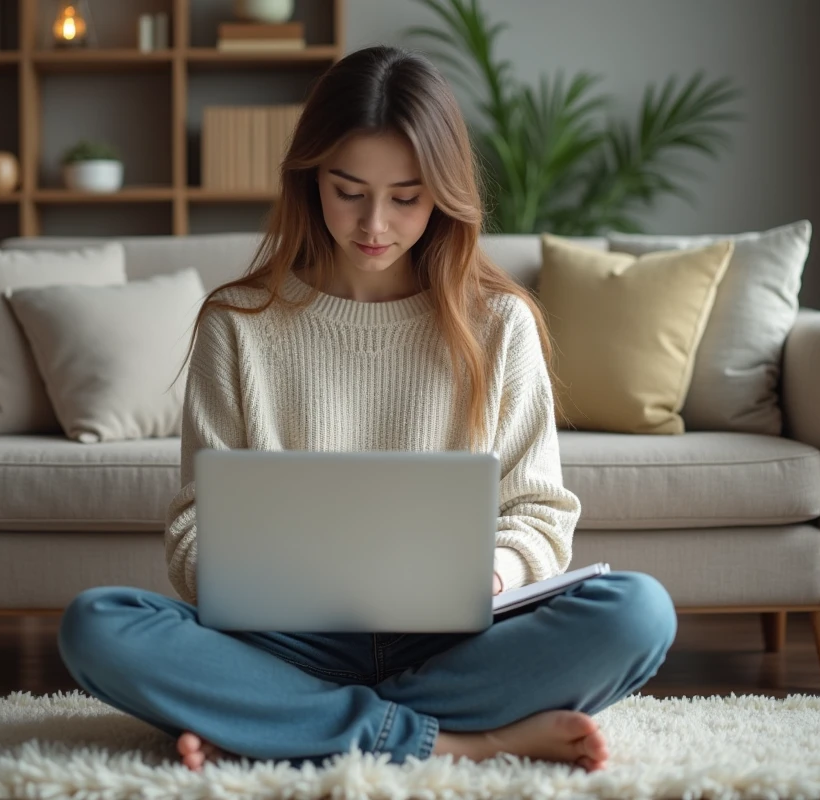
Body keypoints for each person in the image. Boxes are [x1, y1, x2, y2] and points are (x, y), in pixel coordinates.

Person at [57, 44, 677, 774]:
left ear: (442, 192)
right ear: (310, 176)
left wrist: (494, 576)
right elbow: (195, 530)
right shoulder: (237, 323)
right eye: (348, 190)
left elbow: (540, 515)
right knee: (96, 625)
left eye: (406, 197)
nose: (374, 223)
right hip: (284, 641)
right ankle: (462, 740)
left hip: (454, 638)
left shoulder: (499, 324)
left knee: (639, 612)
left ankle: (276, 722)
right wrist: (258, 581)